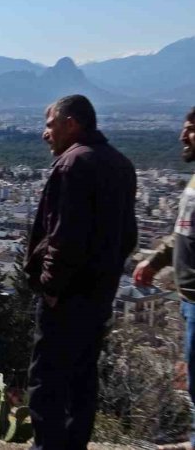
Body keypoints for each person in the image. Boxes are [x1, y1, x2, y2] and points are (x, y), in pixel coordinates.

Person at [24, 94, 137, 450]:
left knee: (48, 379)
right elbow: (128, 236)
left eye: (50, 124)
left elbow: (63, 236)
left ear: (71, 123)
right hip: (99, 294)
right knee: (84, 378)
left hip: (67, 296)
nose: (46, 133)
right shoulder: (121, 164)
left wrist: (50, 285)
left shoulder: (72, 165)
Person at [134, 106, 195, 450]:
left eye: (190, 129)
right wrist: (155, 262)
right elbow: (182, 233)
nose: (182, 136)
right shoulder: (194, 180)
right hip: (188, 297)